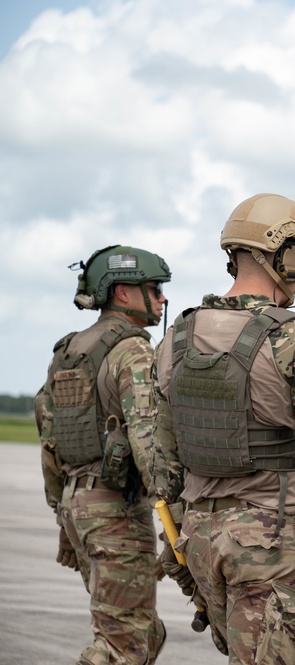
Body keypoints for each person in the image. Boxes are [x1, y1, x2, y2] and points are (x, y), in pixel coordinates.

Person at [149, 193, 295, 663]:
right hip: (269, 541)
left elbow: (163, 462)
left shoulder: (175, 338)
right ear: (284, 254)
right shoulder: (294, 338)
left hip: (199, 537)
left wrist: (178, 549)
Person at [35, 244, 171, 664]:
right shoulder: (132, 350)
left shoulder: (68, 351)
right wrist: (177, 517)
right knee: (124, 644)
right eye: (154, 288)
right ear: (122, 293)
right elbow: (149, 442)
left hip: (80, 510)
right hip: (116, 513)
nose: (163, 298)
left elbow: (49, 438)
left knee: (142, 631)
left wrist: (63, 514)